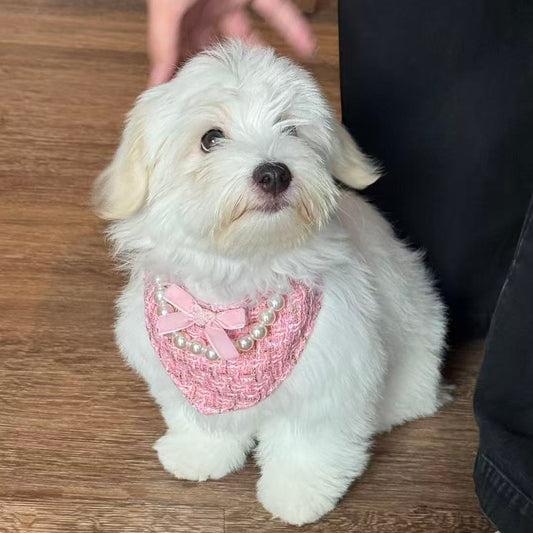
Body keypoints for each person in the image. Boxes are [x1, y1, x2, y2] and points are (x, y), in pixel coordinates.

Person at [146, 2, 533, 532]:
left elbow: (339, 396)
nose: (270, 165)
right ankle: (211, 430)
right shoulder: (152, 312)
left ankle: (303, 460)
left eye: (291, 128)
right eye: (212, 138)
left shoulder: (326, 310)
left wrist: (310, 461)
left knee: (327, 396)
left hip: (393, 375)